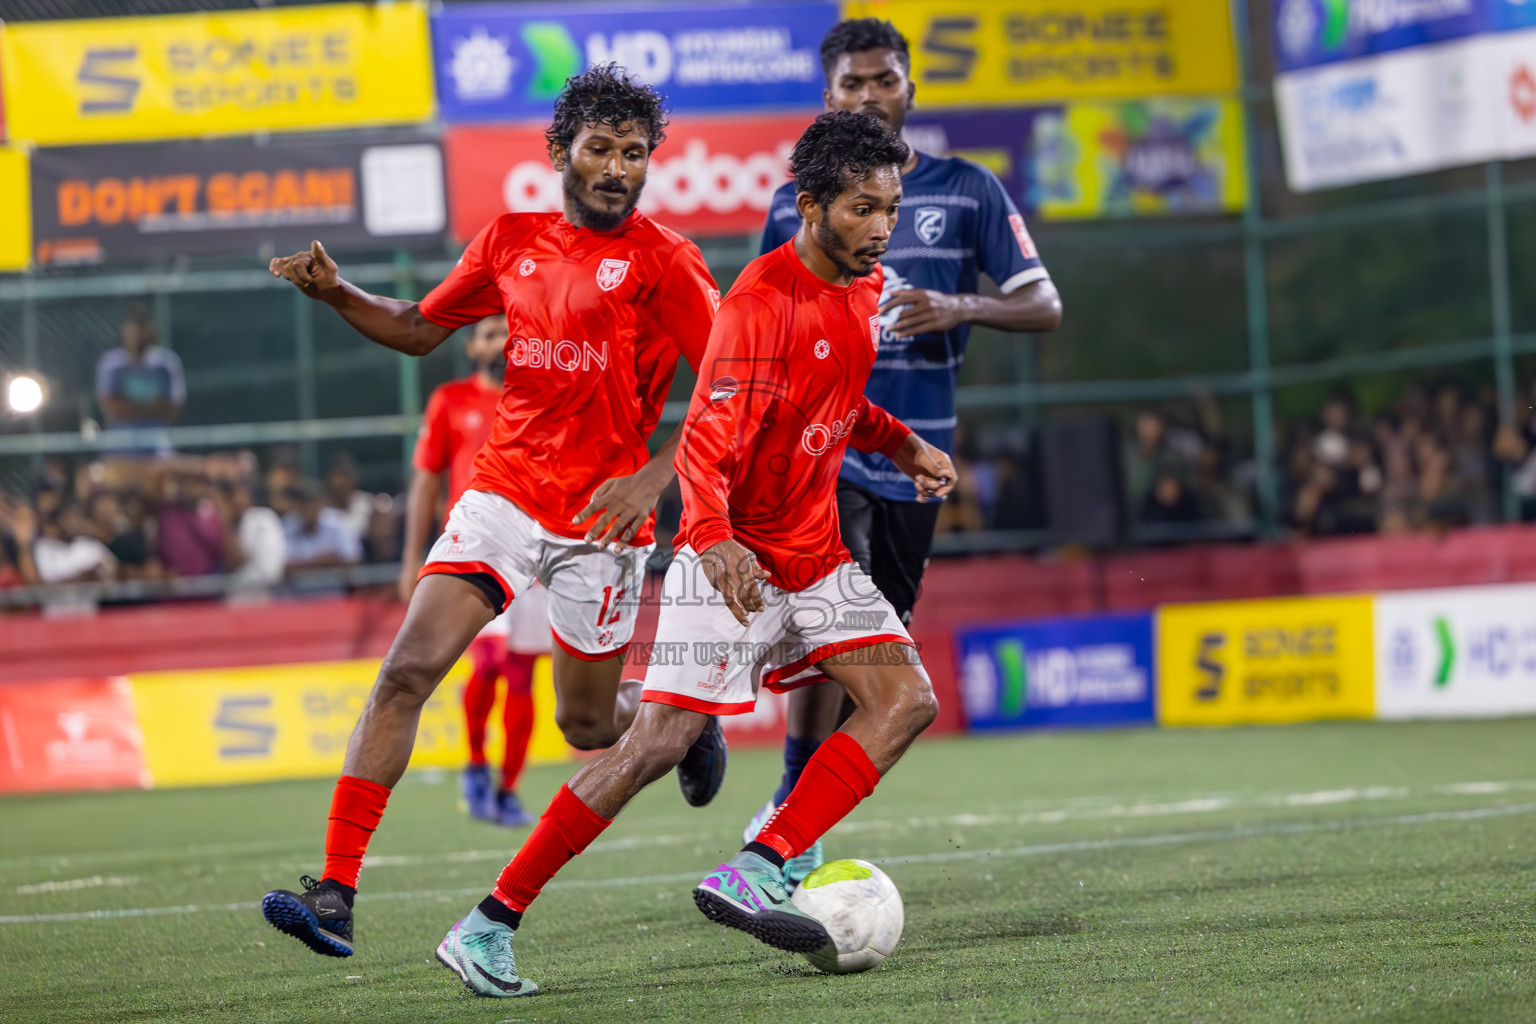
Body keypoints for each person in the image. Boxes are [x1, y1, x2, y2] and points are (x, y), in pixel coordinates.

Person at [429, 110, 955, 999]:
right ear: (809, 205)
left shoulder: (866, 288)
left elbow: (834, 400)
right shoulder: (755, 305)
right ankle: (489, 921)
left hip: (814, 556)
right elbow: (708, 445)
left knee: (906, 699)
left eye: (891, 211)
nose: (880, 228)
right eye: (864, 209)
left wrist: (901, 445)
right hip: (732, 560)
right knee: (654, 744)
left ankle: (762, 863)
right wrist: (714, 544)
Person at [259, 65, 725, 959]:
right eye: (601, 149)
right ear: (560, 152)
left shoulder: (666, 260)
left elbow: (730, 387)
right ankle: (334, 893)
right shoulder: (509, 240)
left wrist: (654, 478)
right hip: (503, 495)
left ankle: (679, 720)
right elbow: (419, 325)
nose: (619, 168)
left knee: (588, 727)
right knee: (405, 672)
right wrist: (338, 294)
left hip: (603, 520)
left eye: (635, 153)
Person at [750, 16, 1063, 886]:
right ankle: (784, 798)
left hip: (919, 454)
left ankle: (783, 787)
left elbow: (1043, 306)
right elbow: (755, 322)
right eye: (850, 85)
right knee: (832, 609)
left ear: (909, 87)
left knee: (870, 641)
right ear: (829, 99)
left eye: (882, 78)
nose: (868, 96)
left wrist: (959, 307)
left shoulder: (970, 190)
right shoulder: (791, 204)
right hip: (819, 451)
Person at [400, 313, 545, 828]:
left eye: (507, 331)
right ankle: (477, 764)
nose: (501, 340)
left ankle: (508, 789)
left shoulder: (542, 395)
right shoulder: (450, 400)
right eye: (487, 333)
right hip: (475, 551)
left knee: (523, 677)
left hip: (538, 551)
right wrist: (410, 557)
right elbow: (425, 481)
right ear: (471, 348)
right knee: (488, 664)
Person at [95, 307, 185, 455]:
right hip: (120, 448)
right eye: (132, 329)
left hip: (157, 448)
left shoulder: (167, 363)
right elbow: (112, 411)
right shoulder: (110, 364)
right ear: (124, 331)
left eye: (141, 329)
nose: (137, 336)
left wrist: (127, 406)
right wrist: (152, 407)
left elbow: (170, 410)